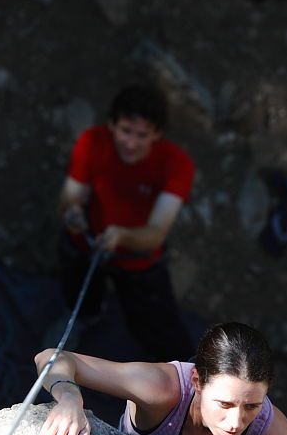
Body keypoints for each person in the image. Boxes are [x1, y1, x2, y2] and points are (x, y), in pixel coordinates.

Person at [35, 322, 287, 435]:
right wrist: (70, 399)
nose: (236, 423)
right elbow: (51, 357)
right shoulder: (161, 389)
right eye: (225, 404)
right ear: (196, 381)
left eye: (252, 406)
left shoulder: (272, 434)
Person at [54, 83, 195, 361]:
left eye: (142, 135)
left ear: (157, 134)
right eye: (125, 131)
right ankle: (84, 319)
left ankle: (180, 370)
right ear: (111, 125)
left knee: (158, 326)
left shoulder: (175, 164)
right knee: (80, 293)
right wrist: (72, 213)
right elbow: (71, 197)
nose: (130, 143)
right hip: (89, 244)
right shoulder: (92, 143)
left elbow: (155, 233)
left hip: (138, 260)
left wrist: (122, 237)